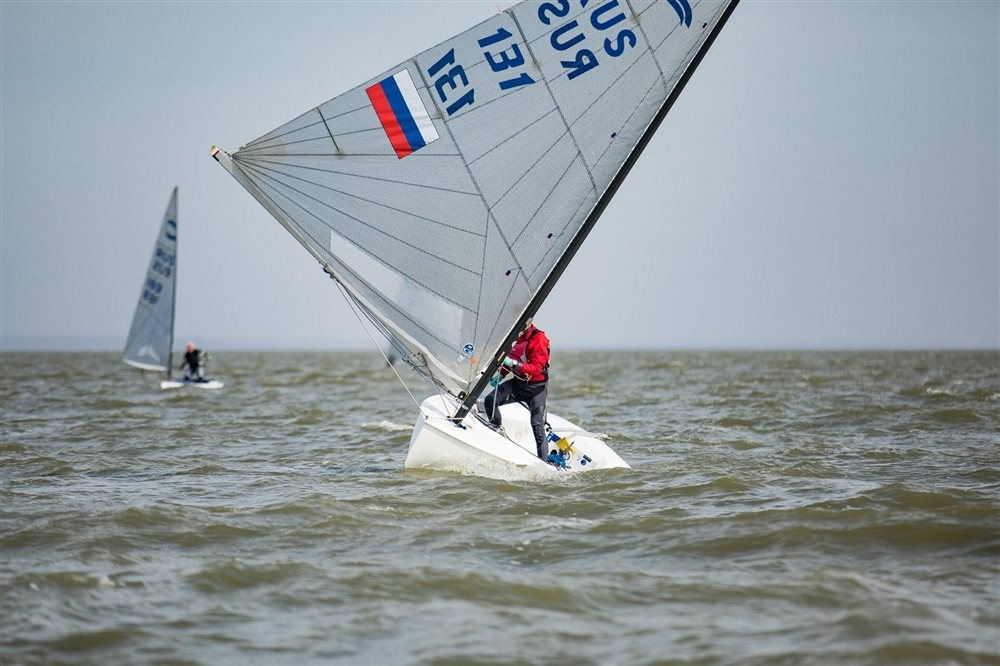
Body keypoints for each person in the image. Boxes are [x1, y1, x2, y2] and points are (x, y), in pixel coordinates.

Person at [484, 318, 551, 461]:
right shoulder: (515, 335)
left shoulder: (539, 338)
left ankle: (544, 462)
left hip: (536, 389)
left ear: (528, 322)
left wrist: (513, 364)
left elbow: (536, 369)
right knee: (490, 400)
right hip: (517, 385)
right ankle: (497, 431)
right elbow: (511, 357)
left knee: (538, 426)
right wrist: (501, 375)